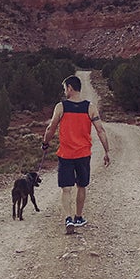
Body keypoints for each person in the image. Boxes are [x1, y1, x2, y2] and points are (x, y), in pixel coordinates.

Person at [42, 74, 110, 234]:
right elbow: (100, 130)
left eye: (65, 88)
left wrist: (45, 142)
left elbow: (50, 128)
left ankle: (68, 218)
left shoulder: (61, 107)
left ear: (70, 88)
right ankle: (78, 217)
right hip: (83, 154)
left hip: (66, 154)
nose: (65, 91)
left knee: (66, 188)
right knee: (81, 185)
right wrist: (107, 151)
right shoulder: (90, 107)